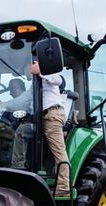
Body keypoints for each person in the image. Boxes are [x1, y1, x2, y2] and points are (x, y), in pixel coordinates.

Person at [30, 60, 70, 197]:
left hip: (52, 114)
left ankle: (63, 188)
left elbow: (58, 80)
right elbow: (23, 100)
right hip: (42, 117)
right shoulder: (35, 86)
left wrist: (40, 71)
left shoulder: (48, 74)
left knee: (59, 152)